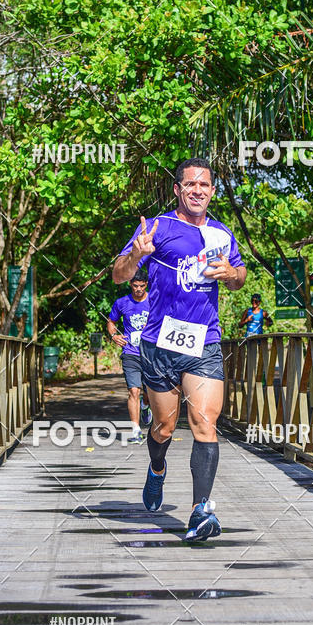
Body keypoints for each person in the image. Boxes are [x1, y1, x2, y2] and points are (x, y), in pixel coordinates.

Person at [112, 157, 247, 541]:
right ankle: (156, 469)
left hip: (204, 341)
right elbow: (120, 273)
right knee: (164, 426)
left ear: (213, 191)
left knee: (205, 422)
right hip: (159, 344)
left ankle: (200, 511)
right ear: (177, 189)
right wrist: (138, 255)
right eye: (190, 184)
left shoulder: (221, 233)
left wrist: (232, 275)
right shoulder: (158, 227)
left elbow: (239, 276)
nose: (198, 191)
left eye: (204, 185)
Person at [107, 268, 152, 444]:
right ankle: (135, 430)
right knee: (134, 390)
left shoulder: (154, 301)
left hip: (151, 354)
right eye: (135, 286)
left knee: (149, 392)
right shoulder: (122, 303)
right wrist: (114, 335)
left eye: (141, 286)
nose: (138, 289)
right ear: (130, 284)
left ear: (146, 284)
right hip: (131, 353)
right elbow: (111, 321)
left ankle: (146, 405)